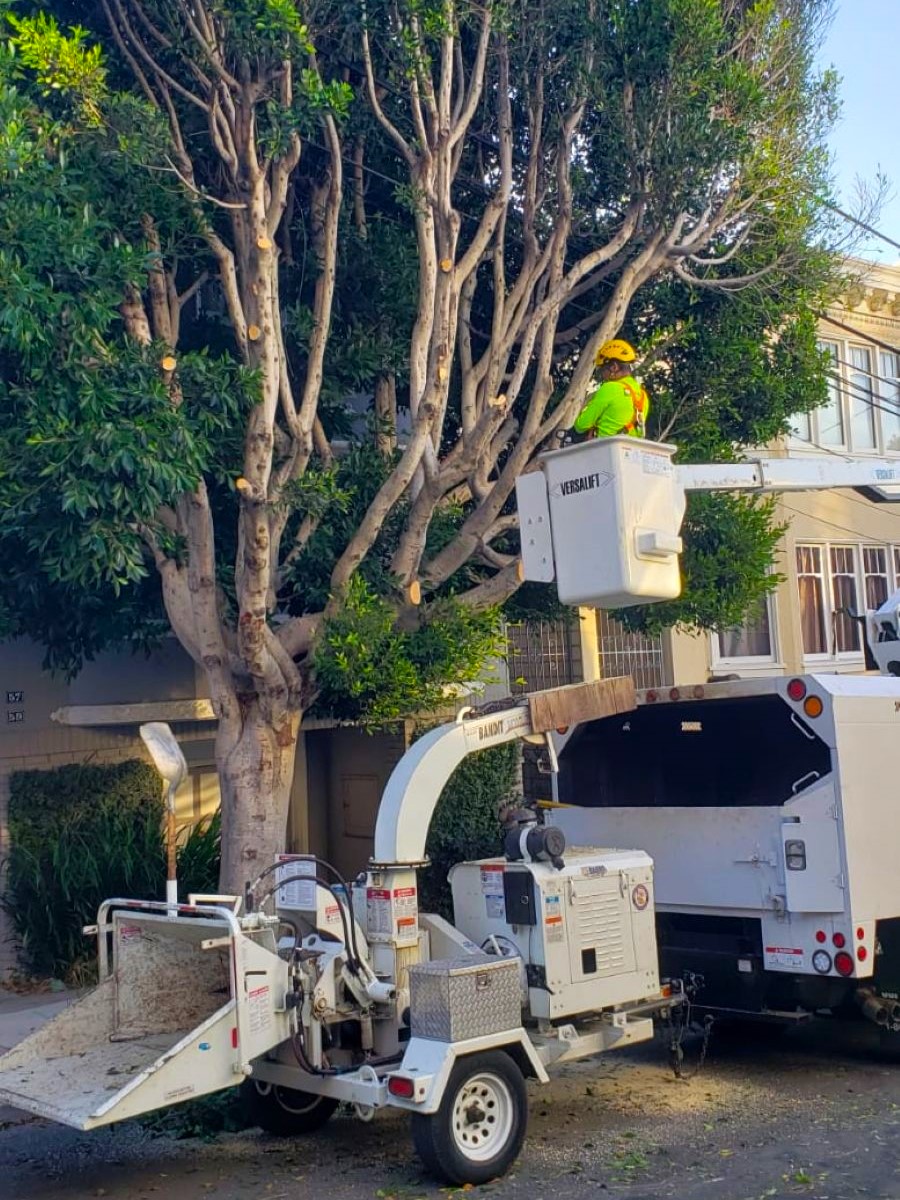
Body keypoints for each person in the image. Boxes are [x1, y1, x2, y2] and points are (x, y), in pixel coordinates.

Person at [573, 338, 649, 440]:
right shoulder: (643, 396)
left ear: (614, 367)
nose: (602, 375)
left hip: (604, 449)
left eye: (603, 369)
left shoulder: (610, 388)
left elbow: (581, 425)